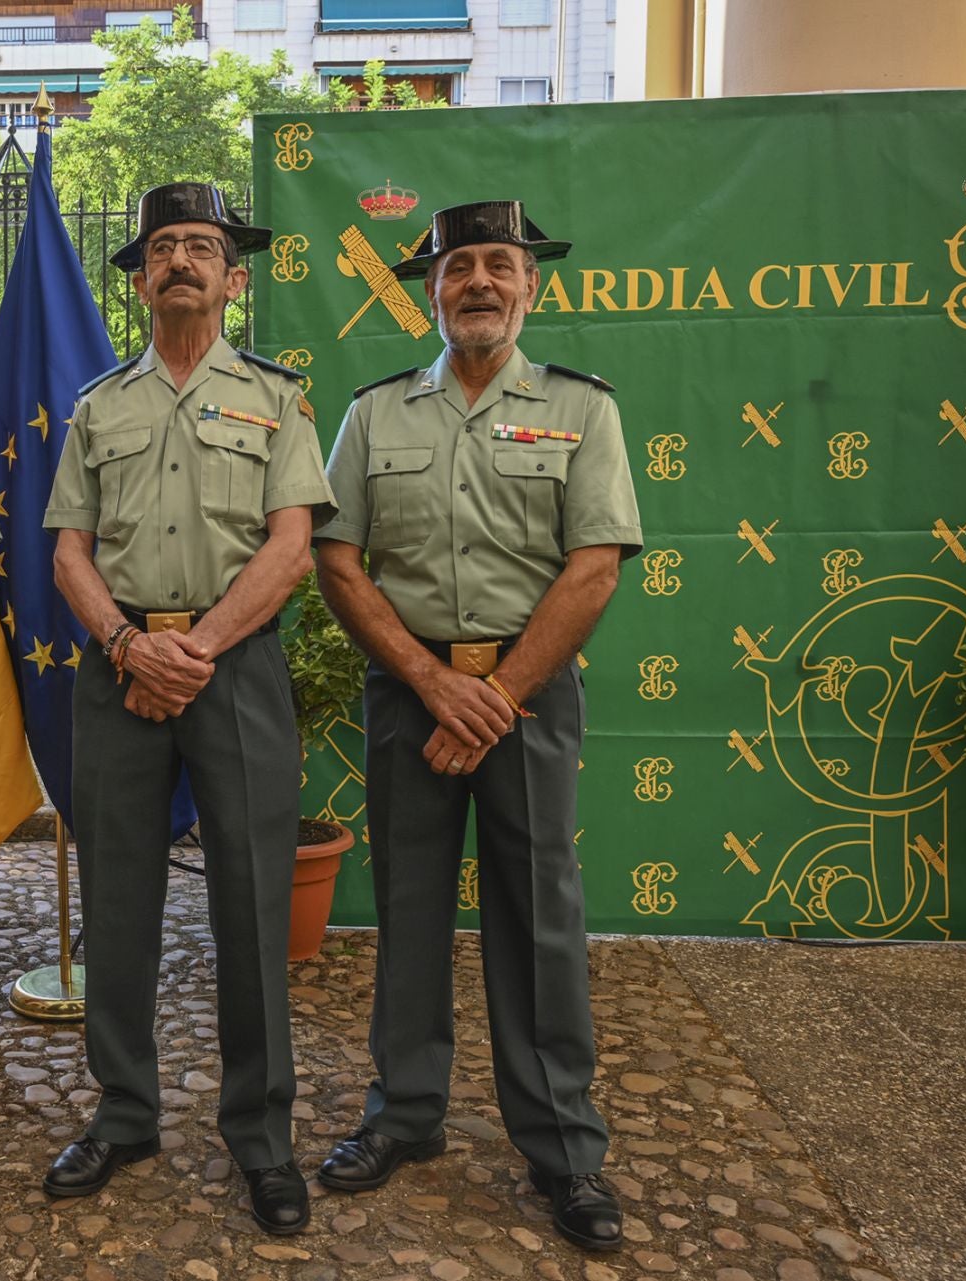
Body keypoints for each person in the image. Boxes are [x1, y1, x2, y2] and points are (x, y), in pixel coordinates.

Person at [311, 200, 642, 1252]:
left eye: (500, 264)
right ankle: (404, 1114)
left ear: (531, 285)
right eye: (459, 268)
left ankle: (564, 1147)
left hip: (528, 697)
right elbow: (337, 560)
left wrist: (493, 697)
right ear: (431, 290)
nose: (480, 283)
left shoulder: (583, 408)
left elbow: (595, 566)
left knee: (539, 915)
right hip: (410, 696)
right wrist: (428, 680)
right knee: (408, 906)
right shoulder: (374, 414)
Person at [39, 182, 335, 1236]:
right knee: (117, 897)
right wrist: (129, 646)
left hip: (232, 668)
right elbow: (69, 551)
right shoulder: (98, 406)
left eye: (200, 247)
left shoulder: (277, 399)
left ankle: (261, 1135)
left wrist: (194, 650)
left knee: (252, 903)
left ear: (232, 278)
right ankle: (123, 1114)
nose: (180, 261)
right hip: (120, 669)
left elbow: (292, 546)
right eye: (162, 247)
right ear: (140, 280)